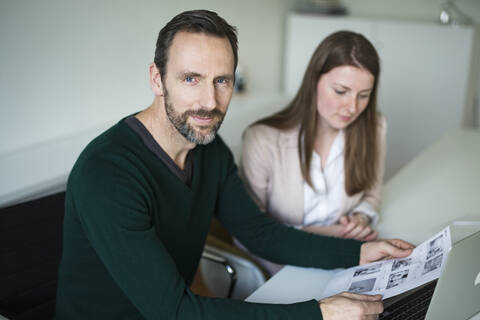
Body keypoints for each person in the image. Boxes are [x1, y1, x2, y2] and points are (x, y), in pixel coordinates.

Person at [55, 10, 413, 320]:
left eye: (222, 81)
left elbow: (259, 232)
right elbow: (176, 312)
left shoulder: (209, 149)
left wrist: (359, 252)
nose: (209, 102)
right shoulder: (107, 173)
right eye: (191, 79)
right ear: (156, 79)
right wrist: (319, 312)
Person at [238, 31, 386, 274]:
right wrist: (328, 234)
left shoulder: (375, 127)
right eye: (340, 91)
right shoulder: (262, 140)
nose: (352, 108)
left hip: (344, 258)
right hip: (281, 267)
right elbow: (252, 232)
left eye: (364, 96)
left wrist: (361, 217)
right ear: (313, 81)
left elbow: (372, 194)